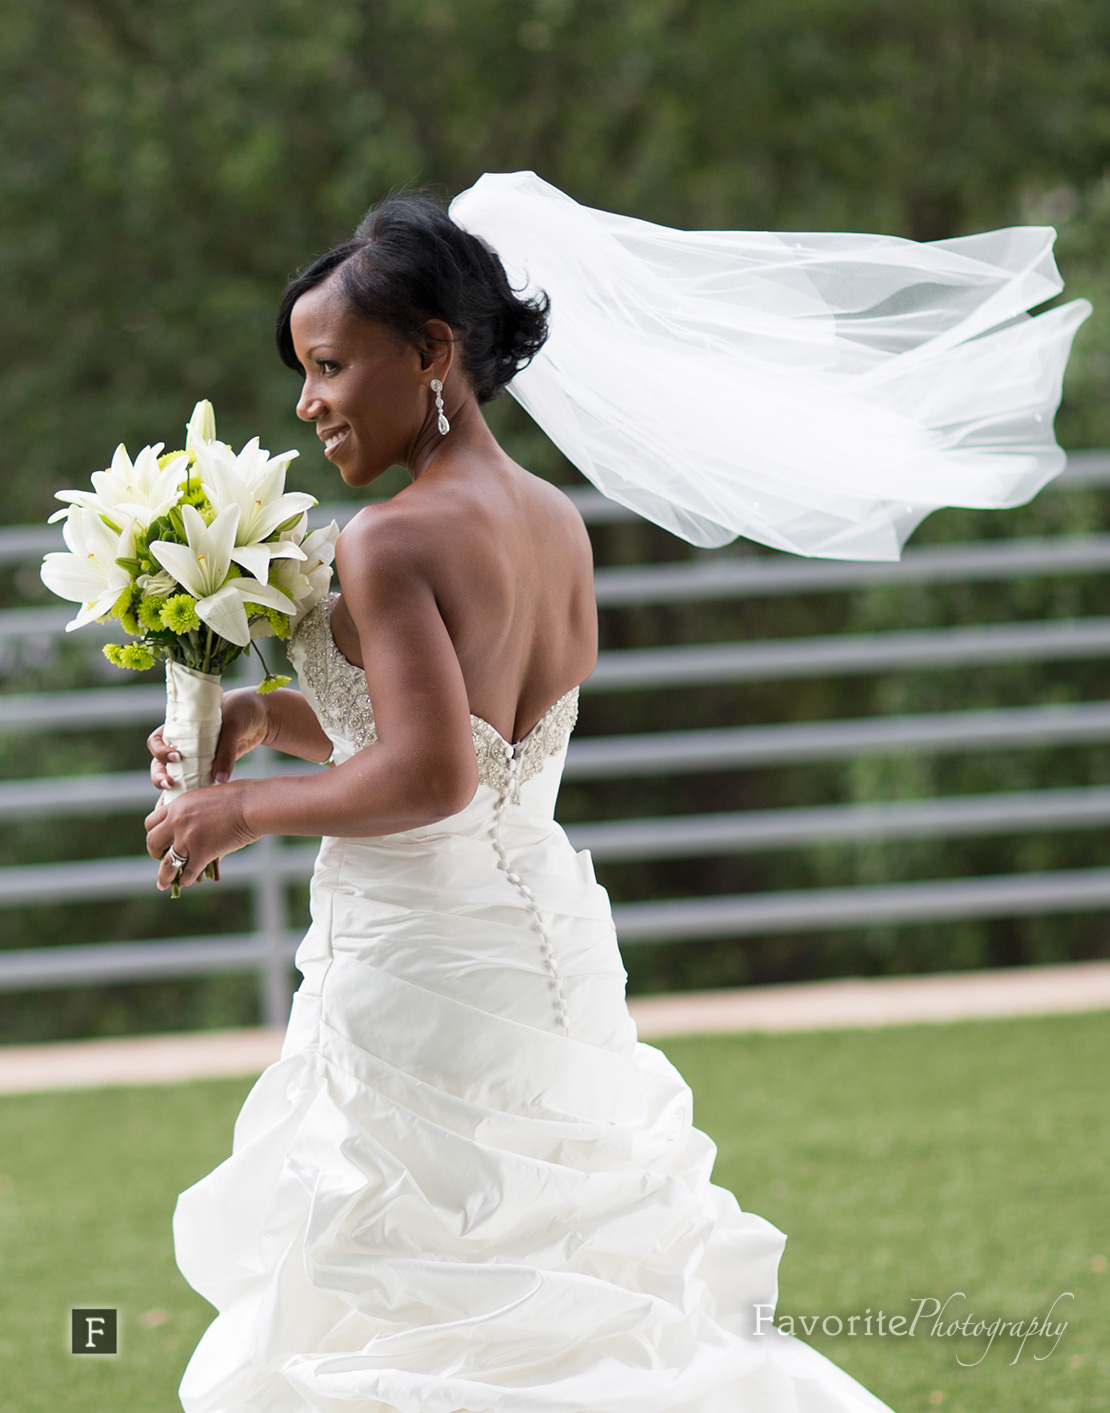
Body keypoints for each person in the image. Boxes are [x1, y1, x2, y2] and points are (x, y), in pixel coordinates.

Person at [146, 192, 899, 1411]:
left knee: (415, 1293)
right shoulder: (553, 521)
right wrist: (252, 720)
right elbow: (468, 734)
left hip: (426, 972)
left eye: (330, 366)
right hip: (537, 936)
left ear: (434, 352)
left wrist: (236, 814)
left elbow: (430, 775)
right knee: (582, 1272)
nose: (307, 404)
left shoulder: (385, 542)